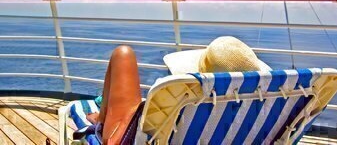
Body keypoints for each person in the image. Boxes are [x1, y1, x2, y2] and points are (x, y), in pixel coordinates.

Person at [81, 36, 271, 144]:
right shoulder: (256, 113)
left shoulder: (190, 106)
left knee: (122, 54)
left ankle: (104, 119)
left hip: (129, 139)